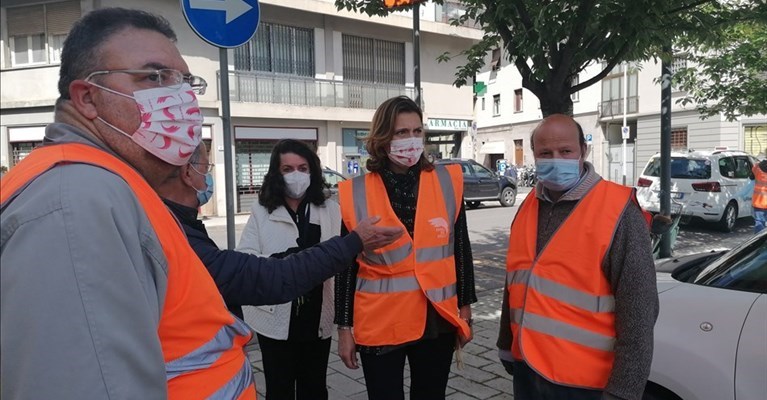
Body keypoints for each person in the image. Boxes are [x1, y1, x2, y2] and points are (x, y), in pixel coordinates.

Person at [0, 8, 401, 400]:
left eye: (183, 81)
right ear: (87, 97)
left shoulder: (115, 190)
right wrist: (353, 242)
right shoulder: (74, 203)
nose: (179, 98)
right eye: (154, 76)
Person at [497, 114, 659, 400]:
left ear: (583, 151)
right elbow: (516, 283)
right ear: (534, 155)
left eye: (565, 151)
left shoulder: (619, 211)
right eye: (545, 153)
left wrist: (624, 390)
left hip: (586, 384)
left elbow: (640, 310)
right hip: (528, 369)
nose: (556, 159)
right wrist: (506, 345)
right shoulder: (528, 206)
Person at [335, 96, 477, 400]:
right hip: (381, 321)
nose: (411, 140)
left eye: (417, 131)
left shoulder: (447, 181)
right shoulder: (356, 191)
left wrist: (465, 309)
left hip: (436, 316)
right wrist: (344, 328)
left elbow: (461, 249)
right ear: (383, 138)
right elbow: (347, 265)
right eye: (401, 133)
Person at [234, 139, 339, 400]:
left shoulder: (329, 209)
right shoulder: (261, 210)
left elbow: (342, 255)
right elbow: (245, 257)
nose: (296, 175)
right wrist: (282, 260)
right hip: (276, 319)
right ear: (276, 173)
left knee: (314, 388)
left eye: (303, 168)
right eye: (288, 169)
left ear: (312, 171)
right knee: (279, 389)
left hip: (318, 317)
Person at [752, 151, 767, 233]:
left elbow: (752, 173)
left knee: (759, 222)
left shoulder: (757, 167)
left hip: (759, 202)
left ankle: (758, 243)